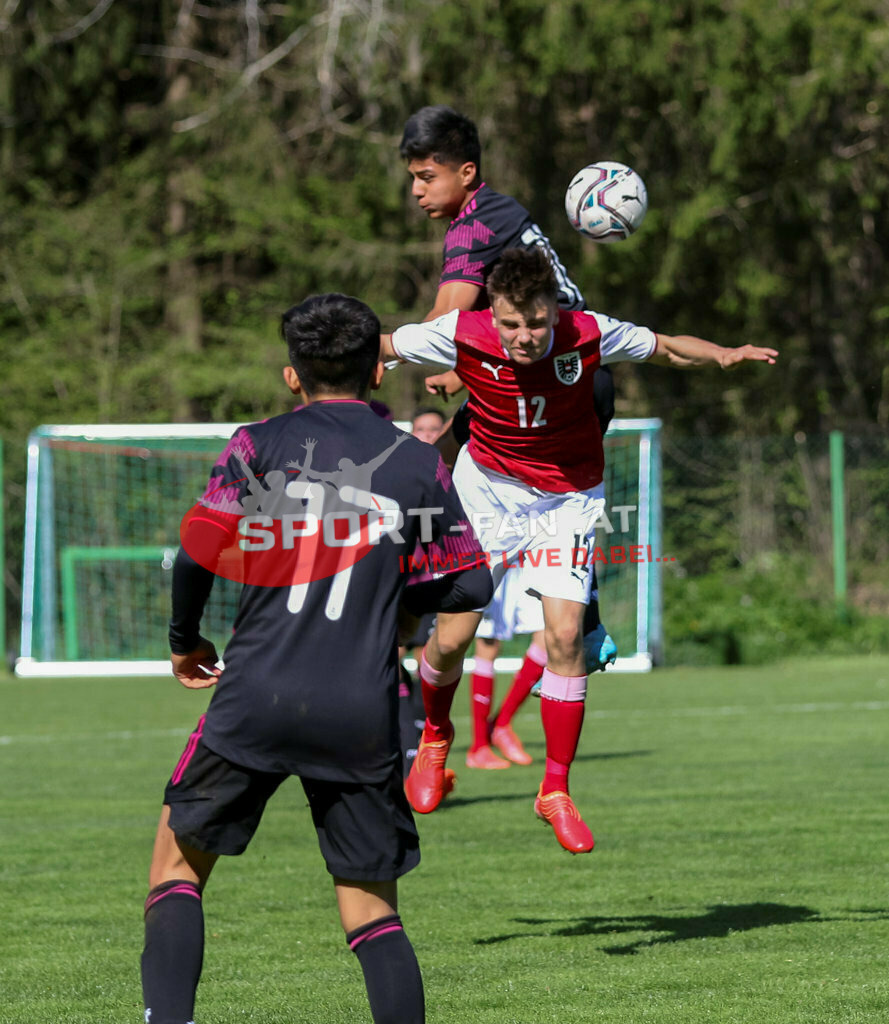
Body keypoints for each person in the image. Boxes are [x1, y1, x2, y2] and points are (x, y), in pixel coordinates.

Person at [140, 293, 492, 1024]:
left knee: (175, 872)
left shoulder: (256, 444)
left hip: (255, 694)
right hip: (363, 709)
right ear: (376, 368)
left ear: (292, 377)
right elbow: (469, 582)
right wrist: (400, 611)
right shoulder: (417, 463)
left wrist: (185, 640)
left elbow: (195, 550)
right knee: (371, 915)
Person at [380, 247, 778, 854]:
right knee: (454, 637)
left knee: (565, 638)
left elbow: (666, 345)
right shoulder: (461, 331)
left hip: (567, 499)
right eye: (511, 323)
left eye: (536, 322)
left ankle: (555, 791)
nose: (523, 336)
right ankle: (435, 737)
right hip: (487, 492)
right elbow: (381, 344)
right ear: (494, 311)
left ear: (554, 308)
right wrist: (331, 367)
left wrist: (722, 354)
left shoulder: (586, 332)